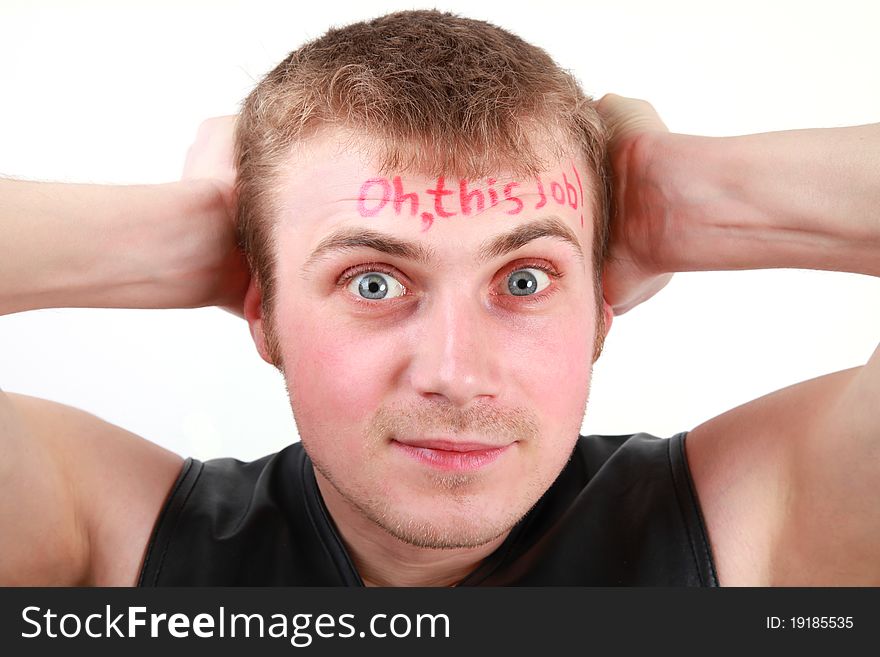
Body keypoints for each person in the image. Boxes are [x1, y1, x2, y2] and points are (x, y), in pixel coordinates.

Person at [0, 9, 877, 587]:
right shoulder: (113, 542)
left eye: (525, 280)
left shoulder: (750, 525)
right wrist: (183, 231)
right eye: (373, 281)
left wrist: (678, 192)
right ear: (261, 312)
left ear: (602, 307)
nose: (457, 376)